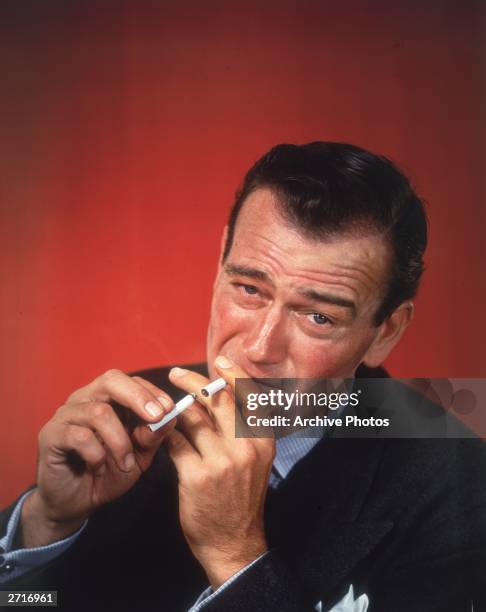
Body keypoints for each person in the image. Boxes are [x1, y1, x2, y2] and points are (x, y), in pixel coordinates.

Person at [1, 142, 485, 611]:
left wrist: (236, 559)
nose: (258, 350)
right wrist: (48, 522)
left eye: (318, 317)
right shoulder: (130, 413)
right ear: (219, 264)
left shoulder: (460, 484)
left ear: (386, 331)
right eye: (249, 288)